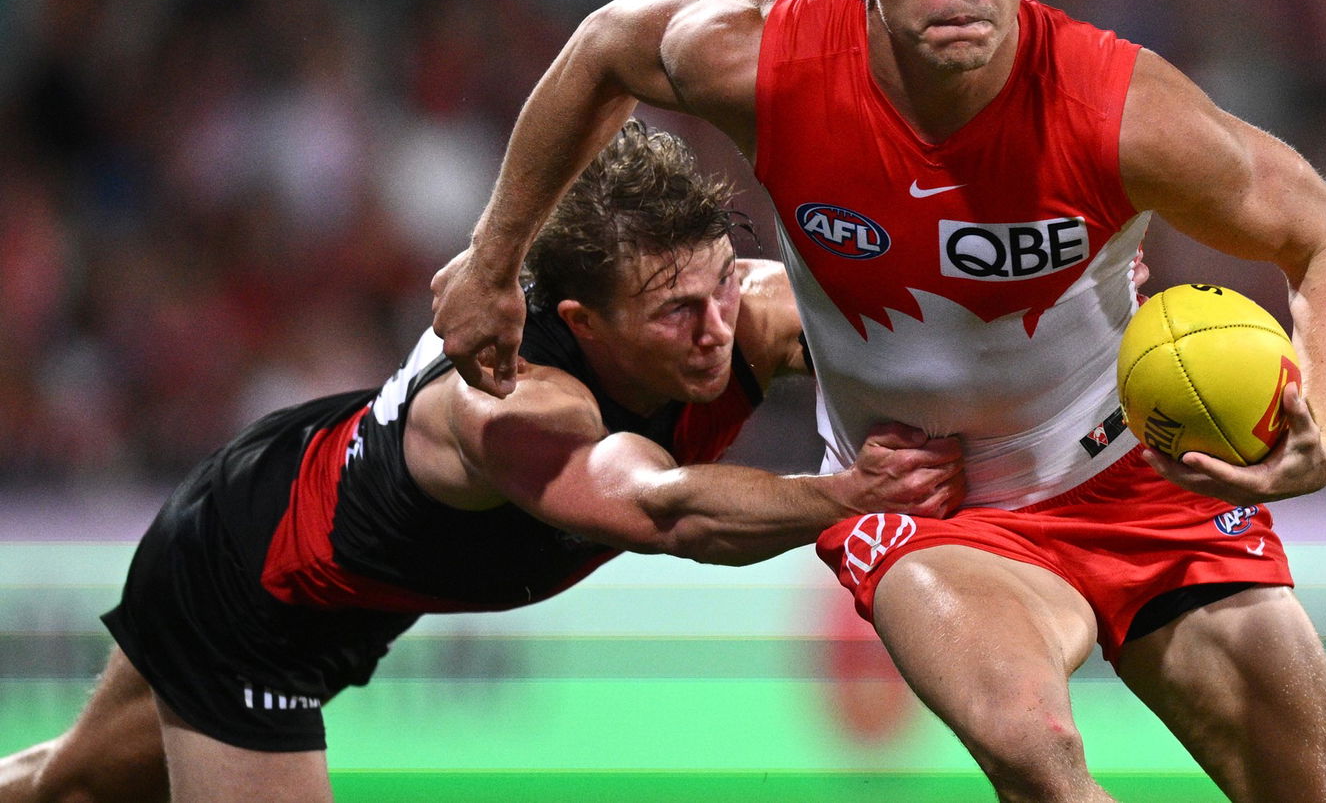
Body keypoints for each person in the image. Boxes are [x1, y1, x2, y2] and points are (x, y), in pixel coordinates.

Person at [429, 0, 1326, 803]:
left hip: (1140, 483)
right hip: (930, 506)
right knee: (1033, 748)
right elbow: (604, 48)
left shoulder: (1120, 110)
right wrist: (492, 261)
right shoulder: (766, 62)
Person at [0, 120, 965, 803]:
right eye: (676, 313)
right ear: (584, 323)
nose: (718, 330)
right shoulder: (510, 403)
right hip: (249, 592)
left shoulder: (744, 309)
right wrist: (845, 496)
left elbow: (934, 307)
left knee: (73, 786)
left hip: (334, 571)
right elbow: (668, 512)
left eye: (721, 284)